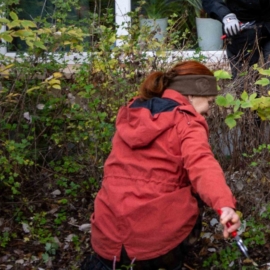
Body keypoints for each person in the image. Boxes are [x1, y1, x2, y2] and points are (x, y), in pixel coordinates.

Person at [81, 61, 241, 270]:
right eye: (209, 102)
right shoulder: (187, 120)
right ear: (191, 95)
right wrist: (224, 204)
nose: (209, 112)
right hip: (156, 240)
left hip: (107, 235)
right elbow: (202, 163)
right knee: (191, 194)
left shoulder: (132, 113)